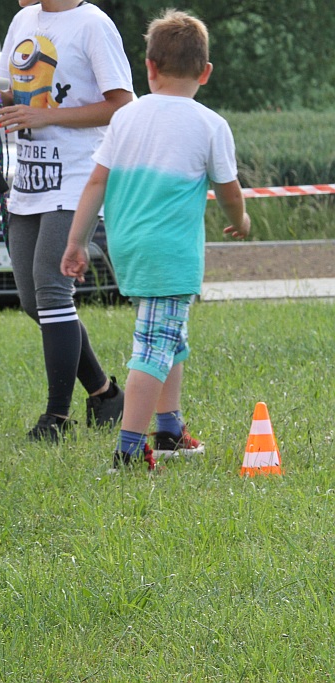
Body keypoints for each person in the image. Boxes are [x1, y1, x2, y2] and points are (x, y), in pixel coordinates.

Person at [61, 9, 251, 471]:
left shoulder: (126, 118)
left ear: (149, 67)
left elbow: (95, 184)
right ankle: (128, 449)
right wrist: (240, 218)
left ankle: (169, 429)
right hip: (171, 253)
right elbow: (227, 189)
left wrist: (76, 242)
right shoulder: (209, 124)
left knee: (171, 338)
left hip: (129, 247)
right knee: (153, 347)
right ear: (205, 72)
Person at [0, 0, 133, 442]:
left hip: (79, 176)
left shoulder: (94, 24)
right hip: (29, 178)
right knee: (32, 299)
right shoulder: (24, 20)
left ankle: (56, 418)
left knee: (51, 286)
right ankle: (104, 392)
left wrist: (48, 115)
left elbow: (122, 104)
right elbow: (17, 93)